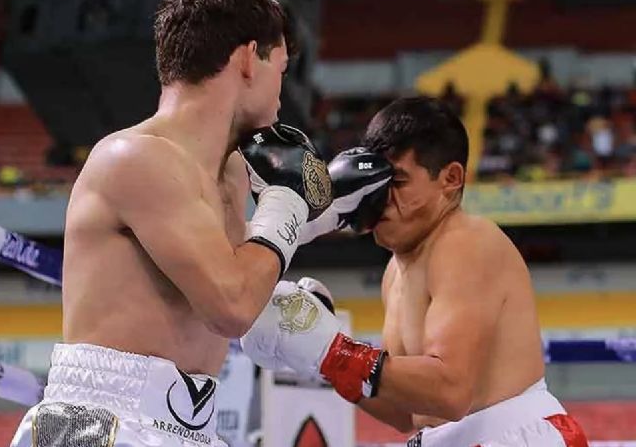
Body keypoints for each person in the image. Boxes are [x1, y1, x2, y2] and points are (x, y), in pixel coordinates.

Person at [10, 0, 388, 447]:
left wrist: (330, 210)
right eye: (281, 69)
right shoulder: (136, 158)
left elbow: (238, 265)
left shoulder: (230, 173)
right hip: (101, 420)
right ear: (248, 59)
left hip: (190, 424)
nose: (280, 95)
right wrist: (289, 201)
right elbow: (232, 306)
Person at [242, 97, 590, 446]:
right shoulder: (395, 272)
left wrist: (334, 350)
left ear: (450, 179)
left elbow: (450, 392)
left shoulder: (465, 241)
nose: (377, 198)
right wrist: (318, 356)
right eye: (374, 183)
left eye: (397, 181)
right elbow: (405, 413)